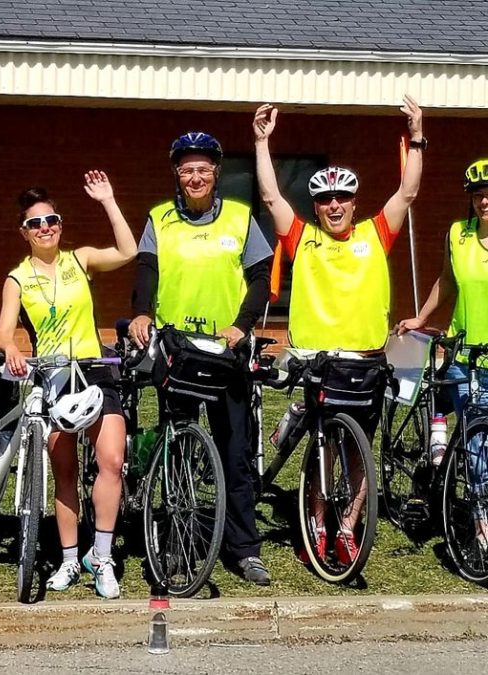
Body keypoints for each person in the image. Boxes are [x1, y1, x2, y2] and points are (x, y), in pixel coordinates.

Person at [254, 95, 424, 564]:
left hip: (367, 362)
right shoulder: (302, 238)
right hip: (319, 363)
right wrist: (261, 142)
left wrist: (417, 136)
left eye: (341, 197)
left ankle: (348, 526)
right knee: (324, 450)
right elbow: (270, 196)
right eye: (324, 199)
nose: (333, 206)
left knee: (360, 454)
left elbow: (407, 194)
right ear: (316, 204)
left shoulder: (375, 232)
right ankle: (317, 524)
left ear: (353, 202)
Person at [129, 132, 274, 586]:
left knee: (234, 453)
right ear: (177, 174)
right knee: (176, 451)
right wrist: (139, 312)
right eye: (187, 169)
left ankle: (244, 549)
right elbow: (147, 270)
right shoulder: (159, 219)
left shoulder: (239, 217)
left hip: (227, 349)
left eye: (204, 169)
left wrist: (242, 325)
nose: (196, 176)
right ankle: (177, 543)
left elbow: (259, 276)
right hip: (178, 348)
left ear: (216, 173)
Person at [0, 173, 137, 599]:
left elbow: (129, 250)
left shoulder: (81, 260)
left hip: (93, 370)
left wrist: (109, 200)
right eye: (36, 223)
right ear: (24, 231)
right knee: (65, 473)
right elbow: (4, 331)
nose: (45, 228)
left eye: (51, 220)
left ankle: (103, 556)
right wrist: (11, 350)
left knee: (112, 460)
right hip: (53, 375)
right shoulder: (16, 278)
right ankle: (70, 558)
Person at [397, 158, 488, 547]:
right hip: (465, 355)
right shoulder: (458, 234)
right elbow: (448, 281)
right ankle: (483, 524)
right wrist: (421, 317)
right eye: (477, 195)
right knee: (477, 447)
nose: (484, 201)